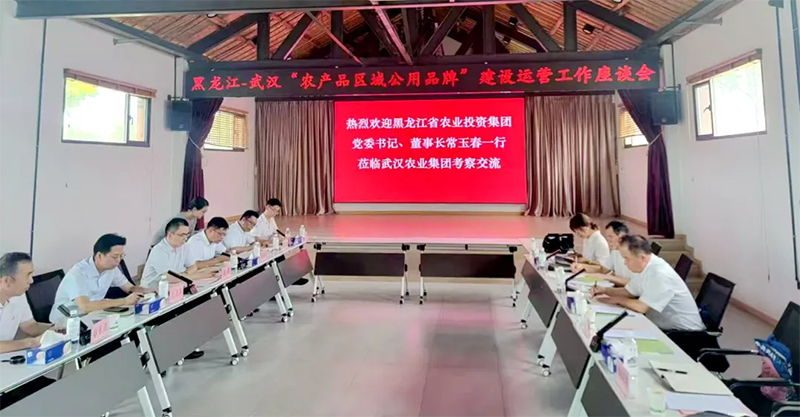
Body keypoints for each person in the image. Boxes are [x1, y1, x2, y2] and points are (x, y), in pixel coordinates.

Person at [591, 235, 704, 331]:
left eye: (627, 258)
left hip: (684, 334)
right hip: (662, 326)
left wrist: (617, 300)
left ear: (642, 258)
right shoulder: (644, 267)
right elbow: (628, 291)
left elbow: (641, 307)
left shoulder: (659, 273)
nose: (625, 263)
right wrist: (604, 290)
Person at [49, 234, 154, 323]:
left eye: (122, 256)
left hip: (94, 315)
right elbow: (85, 306)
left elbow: (130, 288)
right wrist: (124, 301)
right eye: (115, 257)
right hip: (67, 321)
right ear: (99, 256)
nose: (119, 260)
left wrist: (149, 290)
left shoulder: (111, 269)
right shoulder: (78, 274)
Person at [0, 253, 54, 353]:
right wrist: (30, 343)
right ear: (7, 281)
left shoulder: (19, 295)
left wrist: (54, 328)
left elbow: (30, 326)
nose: (31, 281)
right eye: (28, 275)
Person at [143, 218, 217, 289]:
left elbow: (193, 266)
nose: (185, 238)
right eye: (182, 235)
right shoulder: (159, 250)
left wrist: (185, 275)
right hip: (152, 290)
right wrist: (197, 276)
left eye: (187, 235)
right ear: (170, 235)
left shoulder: (184, 246)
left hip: (177, 285)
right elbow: (169, 277)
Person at [574, 221, 633, 286]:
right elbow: (603, 269)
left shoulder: (633, 253)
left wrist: (608, 277)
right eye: (607, 237)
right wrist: (582, 267)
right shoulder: (615, 252)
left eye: (611, 237)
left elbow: (632, 283)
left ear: (621, 236)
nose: (608, 240)